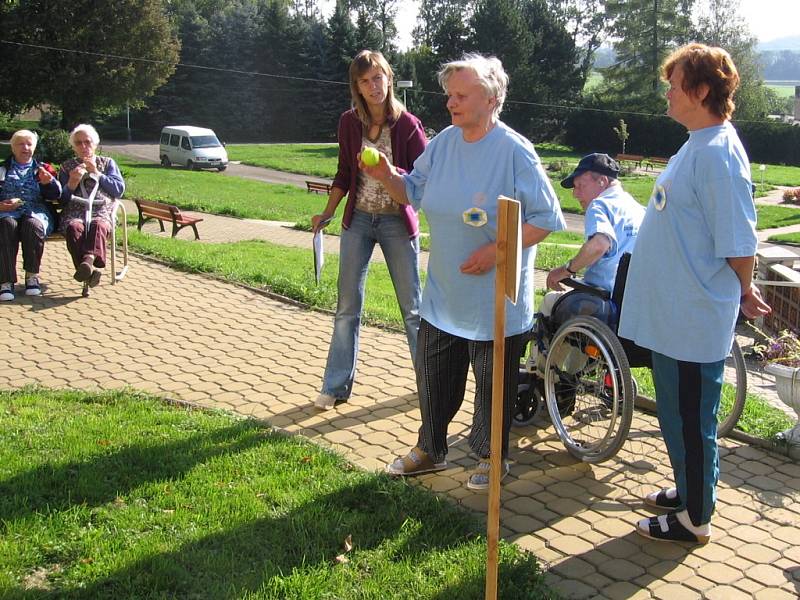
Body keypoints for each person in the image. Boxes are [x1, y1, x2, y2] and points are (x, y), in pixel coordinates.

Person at [365, 53, 565, 490]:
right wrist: (384, 174)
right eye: (449, 95)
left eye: (461, 95)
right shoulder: (443, 144)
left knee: (492, 389)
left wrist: (496, 252)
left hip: (495, 301)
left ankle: (493, 458)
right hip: (444, 297)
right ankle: (430, 449)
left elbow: (546, 219)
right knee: (435, 380)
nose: (450, 103)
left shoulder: (515, 152)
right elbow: (411, 191)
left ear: (491, 98)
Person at [618, 43, 771, 544]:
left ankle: (695, 519)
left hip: (693, 317)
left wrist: (745, 291)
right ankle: (688, 490)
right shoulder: (697, 142)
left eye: (674, 82)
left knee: (691, 419)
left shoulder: (719, 153)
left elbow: (738, 239)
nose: (667, 91)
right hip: (673, 315)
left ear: (701, 90)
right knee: (676, 414)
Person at [311, 50, 427, 411]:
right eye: (365, 81)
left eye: (378, 77)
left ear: (389, 78)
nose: (373, 86)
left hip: (396, 221)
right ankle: (335, 386)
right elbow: (345, 173)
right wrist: (327, 213)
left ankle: (430, 386)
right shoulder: (349, 123)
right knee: (347, 306)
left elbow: (423, 182)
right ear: (357, 87)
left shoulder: (408, 125)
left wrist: (392, 172)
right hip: (358, 220)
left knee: (412, 310)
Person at [541, 153, 645, 316]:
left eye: (580, 185)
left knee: (549, 301)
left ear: (602, 181)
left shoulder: (600, 204)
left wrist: (565, 270)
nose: (575, 194)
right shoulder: (638, 209)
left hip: (602, 302)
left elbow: (599, 244)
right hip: (634, 303)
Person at [58, 124, 125, 290]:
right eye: (79, 143)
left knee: (98, 225)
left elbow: (118, 190)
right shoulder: (67, 167)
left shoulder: (107, 163)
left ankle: (87, 261)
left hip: (101, 209)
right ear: (74, 147)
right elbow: (62, 199)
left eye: (87, 142)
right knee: (74, 228)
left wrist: (97, 173)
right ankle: (89, 271)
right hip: (75, 210)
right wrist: (72, 182)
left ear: (95, 144)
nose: (84, 147)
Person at [0, 130, 61, 301]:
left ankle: (32, 276)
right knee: (6, 226)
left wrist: (49, 182)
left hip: (36, 210)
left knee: (32, 226)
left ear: (34, 147)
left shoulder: (43, 169)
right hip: (6, 212)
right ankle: (5, 281)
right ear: (13, 148)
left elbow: (56, 195)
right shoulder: (3, 169)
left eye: (29, 144)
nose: (25, 147)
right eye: (20, 144)